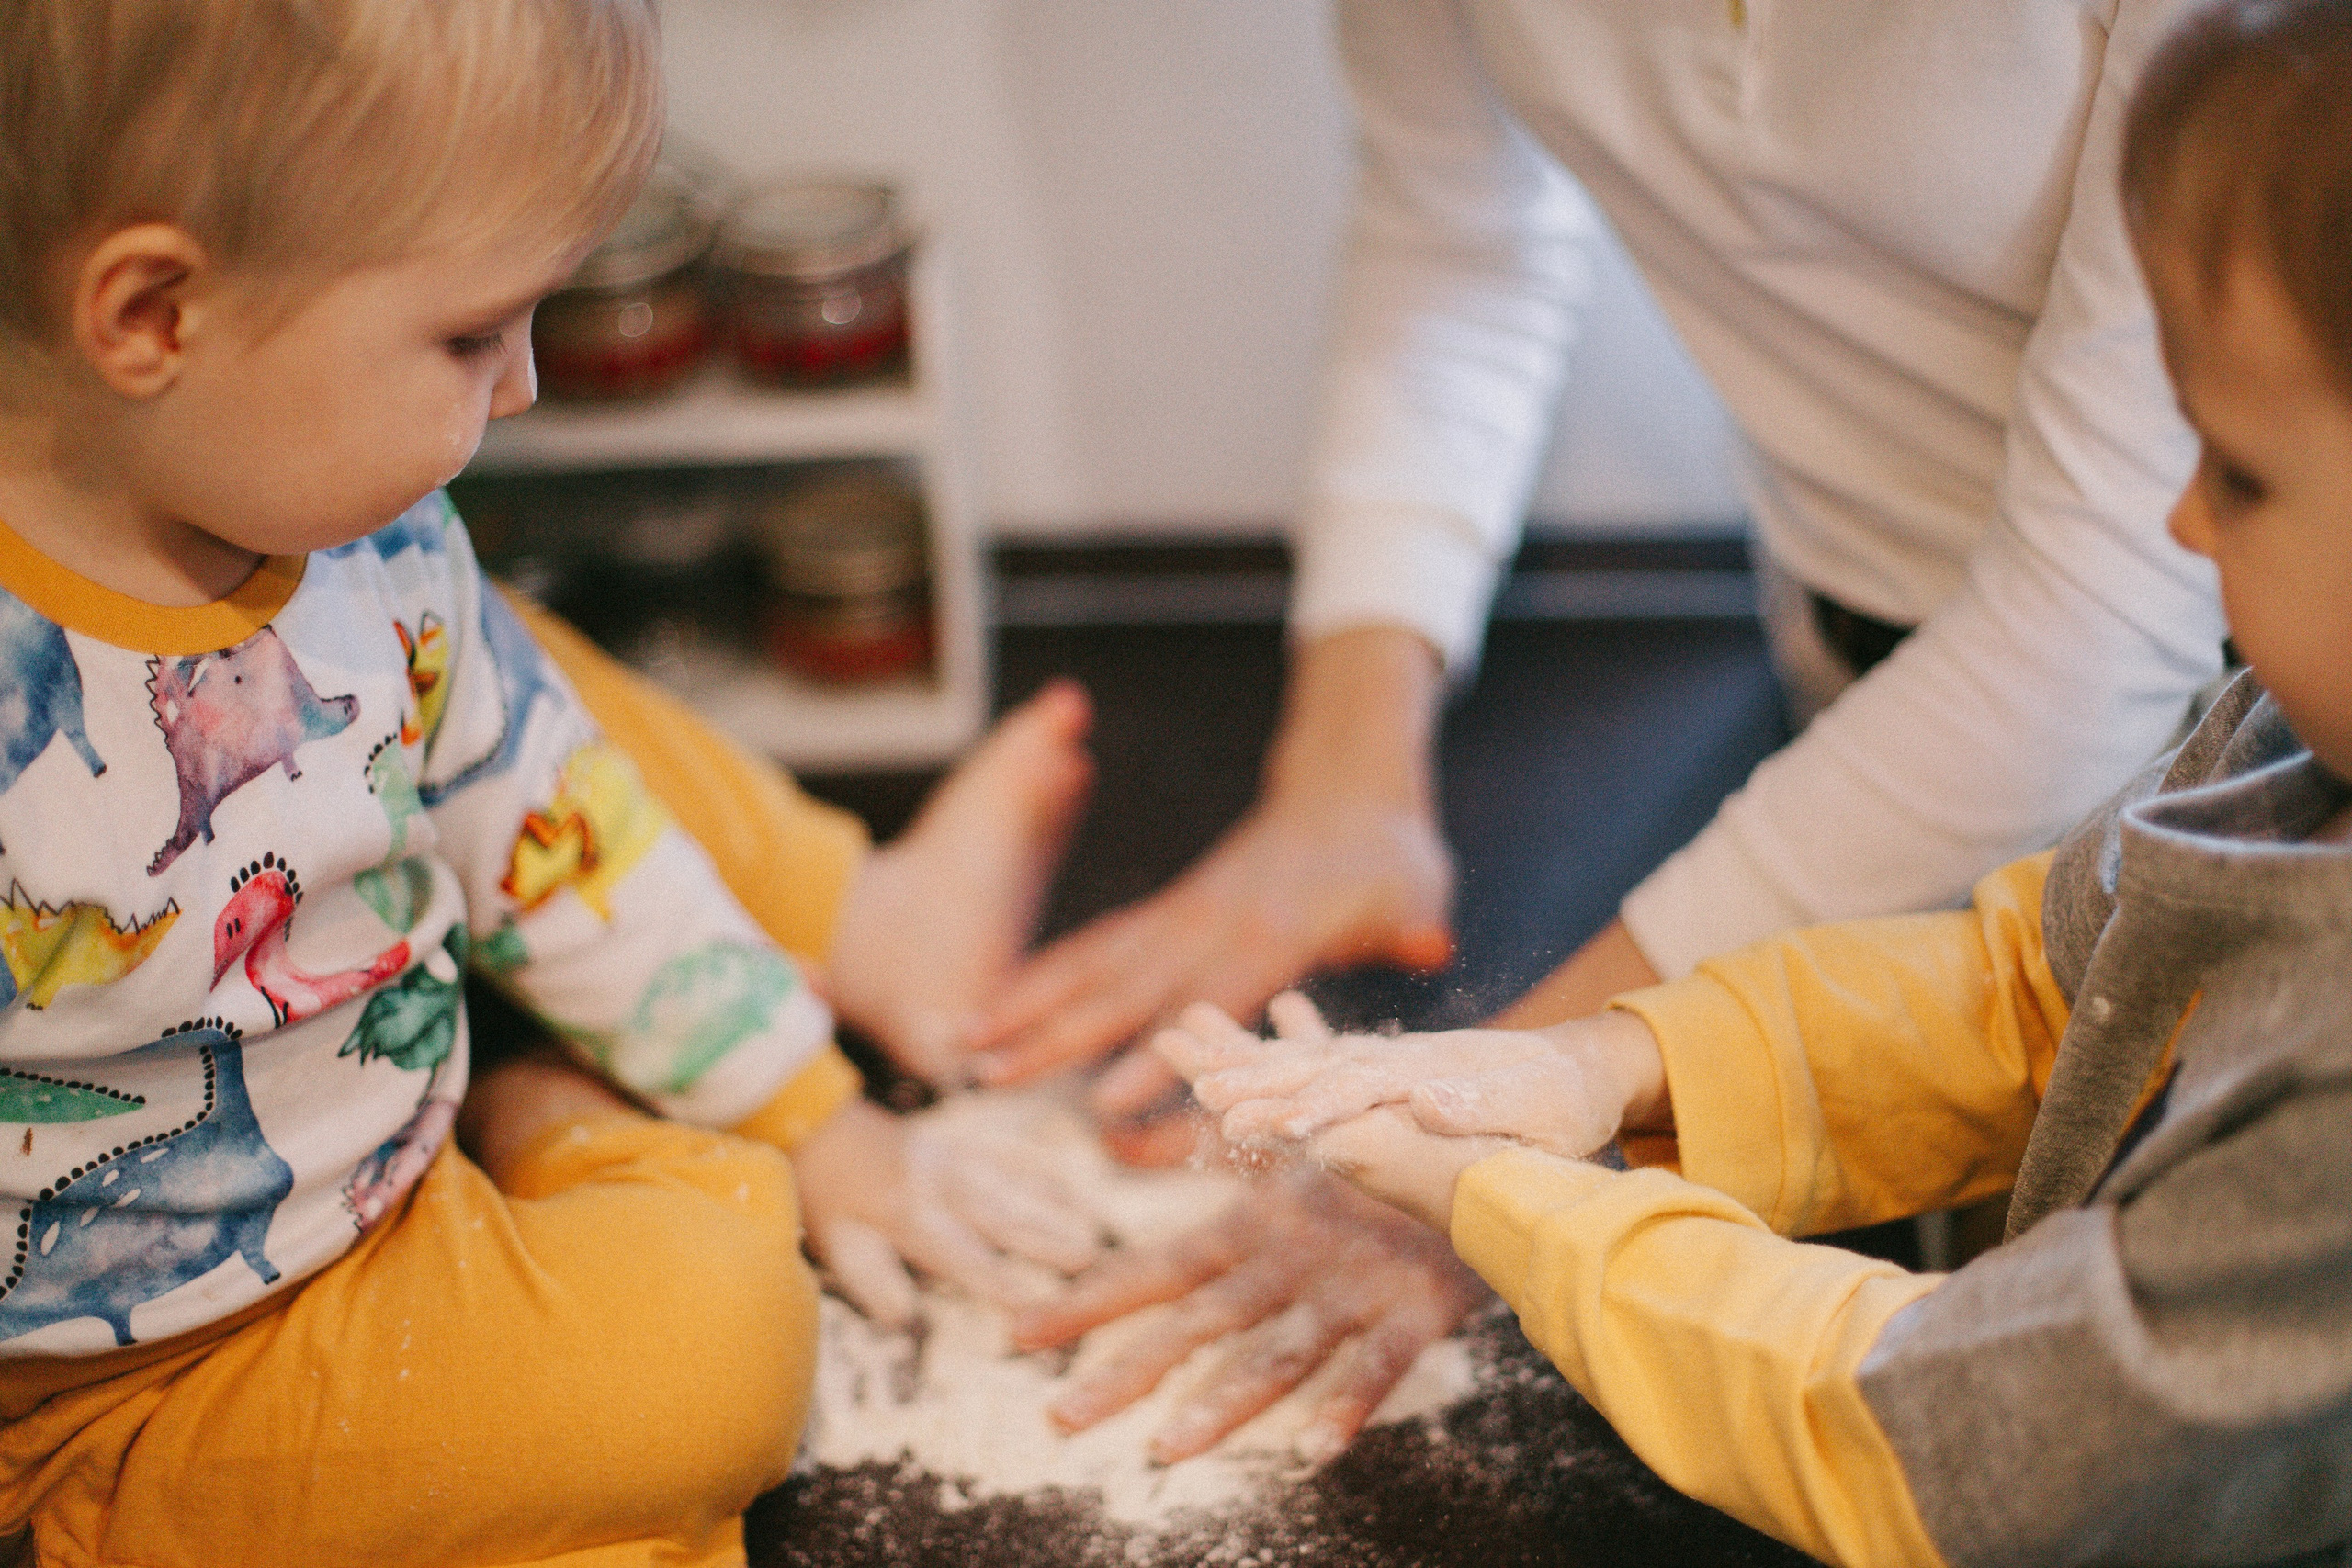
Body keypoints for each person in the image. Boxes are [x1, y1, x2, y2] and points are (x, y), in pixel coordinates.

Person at [1156, 5, 2352, 1558]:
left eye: (2240, 473)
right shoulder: (2280, 739)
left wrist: (1505, 1208)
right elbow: (2027, 987)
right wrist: (1596, 1069)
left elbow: (1940, 1439)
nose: (2183, 525)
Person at [0, 3, 1101, 1562]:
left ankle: (843, 919)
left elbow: (558, 822)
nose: (520, 388)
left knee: (535, 696)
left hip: (379, 1185)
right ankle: (561, 1096)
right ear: (152, 316)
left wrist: (820, 1111)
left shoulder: (368, 546)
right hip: (129, 1384)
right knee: (718, 1359)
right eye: (467, 337)